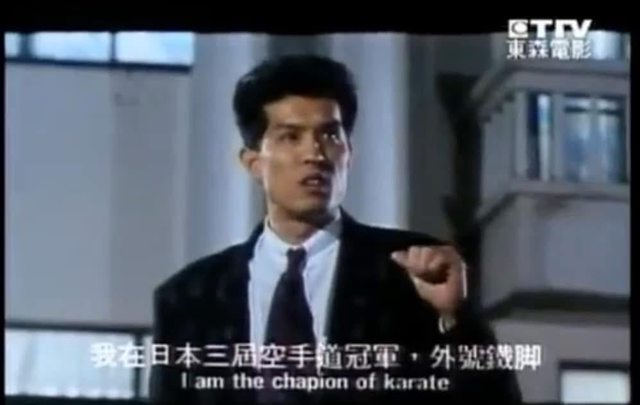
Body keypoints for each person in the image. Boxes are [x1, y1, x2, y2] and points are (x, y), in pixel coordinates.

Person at [149, 54, 522, 404]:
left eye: (330, 135)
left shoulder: (413, 273)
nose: (315, 154)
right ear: (253, 163)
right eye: (291, 136)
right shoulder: (188, 298)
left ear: (349, 153)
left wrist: (456, 318)